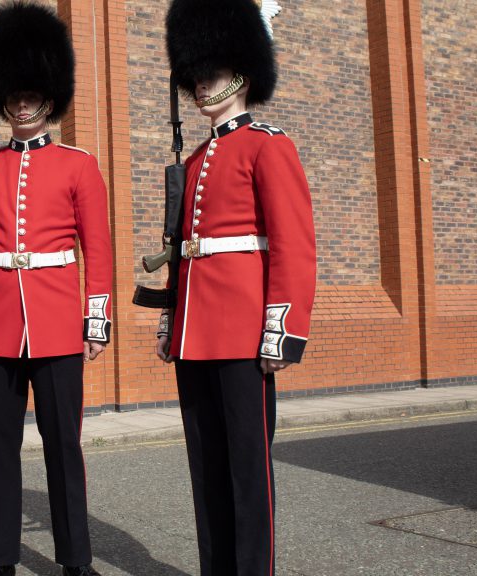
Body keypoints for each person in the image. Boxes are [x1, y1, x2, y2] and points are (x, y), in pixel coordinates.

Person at [0, 3, 112, 575]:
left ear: (48, 95)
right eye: (13, 94)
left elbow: (98, 249)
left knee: (64, 448)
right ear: (3, 97)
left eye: (31, 93)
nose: (22, 103)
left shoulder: (78, 165)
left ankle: (76, 560)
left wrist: (97, 318)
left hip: (58, 320)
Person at [156, 1, 317, 574]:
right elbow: (185, 251)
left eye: (214, 74)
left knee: (249, 472)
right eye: (196, 76)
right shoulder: (197, 158)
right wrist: (172, 319)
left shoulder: (268, 145)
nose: (202, 85)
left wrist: (282, 329)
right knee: (207, 469)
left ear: (243, 74)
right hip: (195, 334)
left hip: (245, 329)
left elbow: (293, 245)